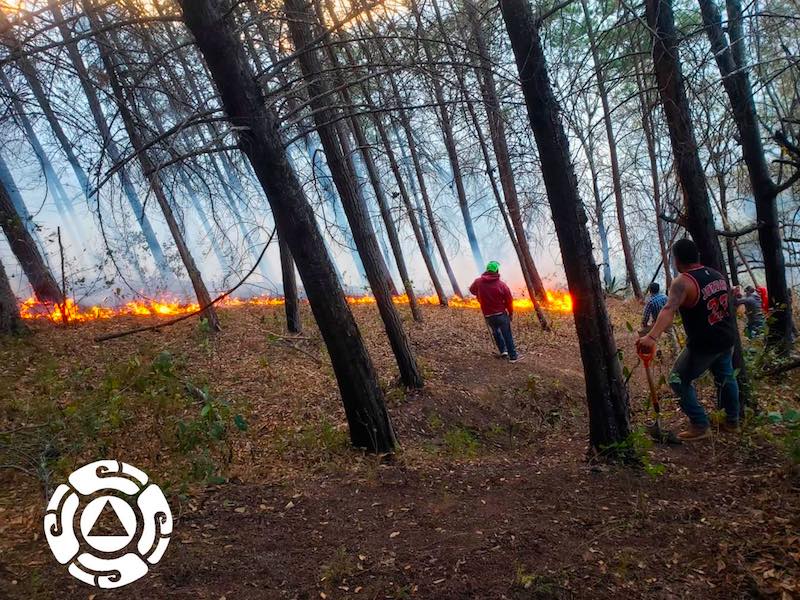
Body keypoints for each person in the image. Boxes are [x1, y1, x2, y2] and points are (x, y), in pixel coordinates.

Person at [636, 239, 739, 440]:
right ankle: (732, 421)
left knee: (678, 379)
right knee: (726, 378)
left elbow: (668, 310)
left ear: (676, 260)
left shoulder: (683, 282)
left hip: (704, 345)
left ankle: (700, 425)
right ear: (697, 256)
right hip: (726, 338)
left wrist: (651, 336)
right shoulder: (717, 275)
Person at [469, 261, 521, 363]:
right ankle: (513, 357)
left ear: (487, 270)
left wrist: (479, 294)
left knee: (496, 332)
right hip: (501, 314)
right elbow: (509, 300)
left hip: (488, 315)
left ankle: (503, 351)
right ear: (497, 270)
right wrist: (510, 313)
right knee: (507, 334)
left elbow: (472, 290)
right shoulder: (501, 285)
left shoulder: (478, 282)